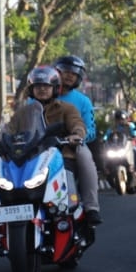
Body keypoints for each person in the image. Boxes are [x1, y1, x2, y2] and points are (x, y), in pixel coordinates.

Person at [1, 65, 95, 222]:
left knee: (72, 169)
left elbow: (77, 124)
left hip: (60, 154)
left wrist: (76, 135)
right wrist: (0, 140)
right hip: (29, 157)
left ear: (55, 88)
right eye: (38, 86)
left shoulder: (67, 108)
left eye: (46, 86)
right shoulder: (23, 112)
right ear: (32, 89)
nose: (42, 89)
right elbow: (9, 129)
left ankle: (75, 207)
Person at [53, 54, 102, 225]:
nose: (68, 75)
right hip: (42, 144)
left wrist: (77, 137)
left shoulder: (83, 101)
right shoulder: (38, 96)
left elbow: (90, 130)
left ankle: (91, 207)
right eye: (64, 71)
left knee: (85, 157)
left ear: (78, 78)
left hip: (72, 143)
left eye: (72, 73)